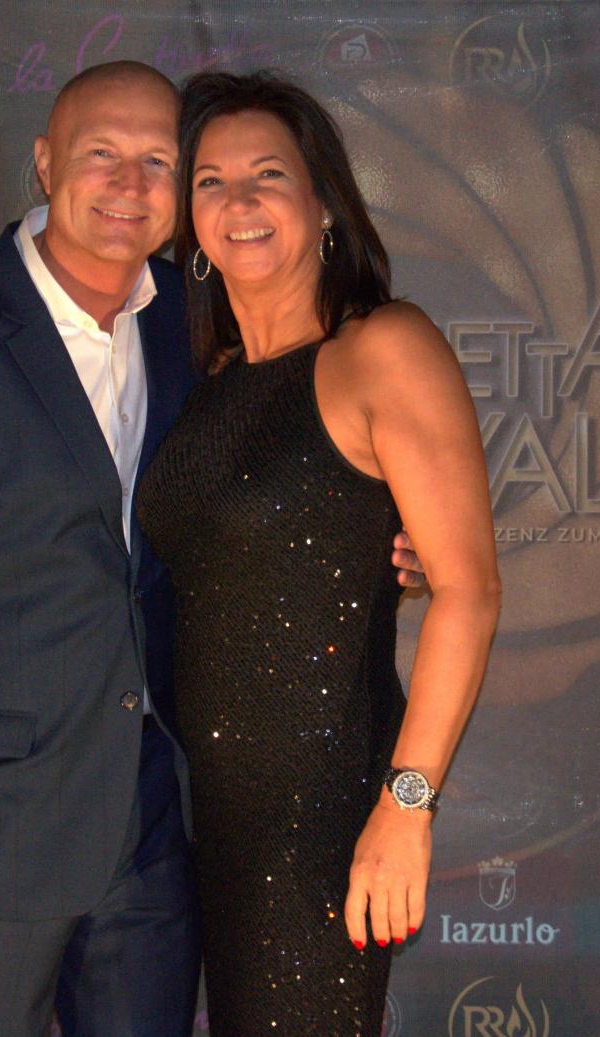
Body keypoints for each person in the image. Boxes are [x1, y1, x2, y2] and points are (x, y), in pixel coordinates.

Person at [0, 58, 428, 1036]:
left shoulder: (201, 328)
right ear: (45, 163)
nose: (131, 183)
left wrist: (384, 538)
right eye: (102, 154)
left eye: (160, 161)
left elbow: (276, 488)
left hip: (160, 847)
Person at [136, 71, 501, 1036]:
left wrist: (405, 808)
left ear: (325, 202)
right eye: (210, 181)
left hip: (322, 819)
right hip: (210, 822)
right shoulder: (212, 378)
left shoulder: (382, 347)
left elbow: (468, 592)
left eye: (267, 174)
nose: (238, 201)